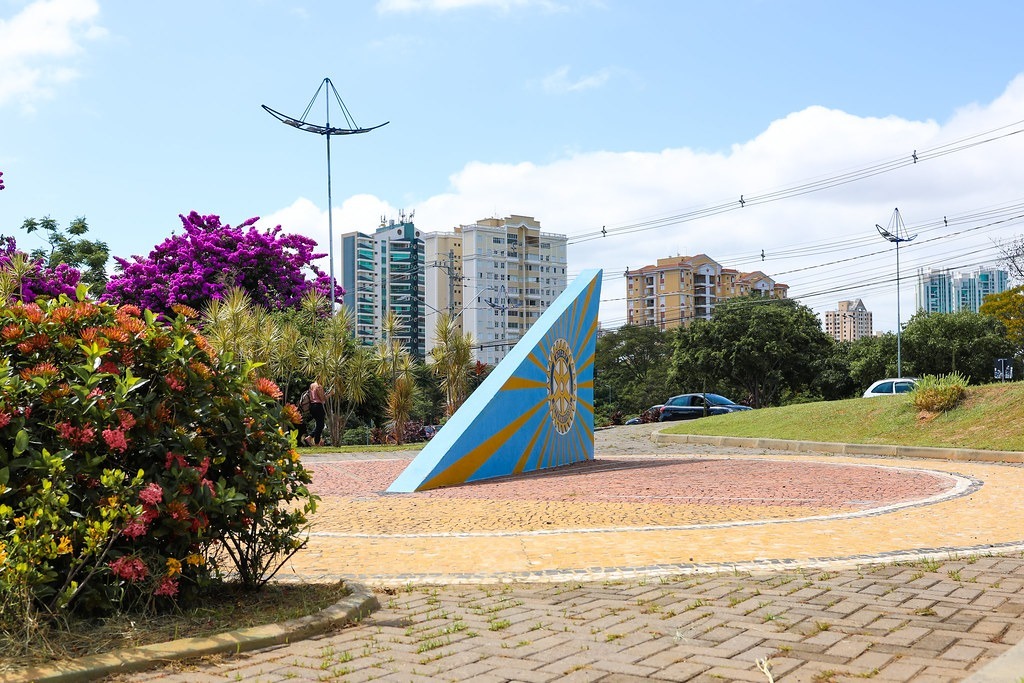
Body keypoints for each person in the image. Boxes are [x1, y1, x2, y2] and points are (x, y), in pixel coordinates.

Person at [307, 379, 327, 447]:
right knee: (320, 425)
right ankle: (316, 442)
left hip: (312, 406)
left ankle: (310, 437)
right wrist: (330, 394)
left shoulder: (312, 385)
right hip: (318, 406)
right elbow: (322, 399)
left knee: (319, 424)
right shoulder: (319, 386)